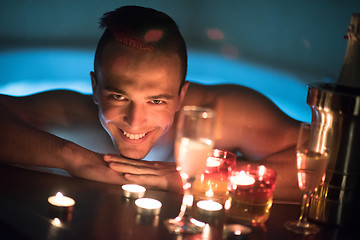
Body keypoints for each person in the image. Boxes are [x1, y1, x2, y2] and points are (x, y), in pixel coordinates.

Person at [0, 6, 301, 201]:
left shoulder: (223, 112)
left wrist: (198, 179)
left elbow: (326, 155)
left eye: (156, 100)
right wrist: (76, 158)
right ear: (95, 88)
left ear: (181, 97)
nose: (135, 121)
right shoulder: (71, 113)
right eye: (118, 96)